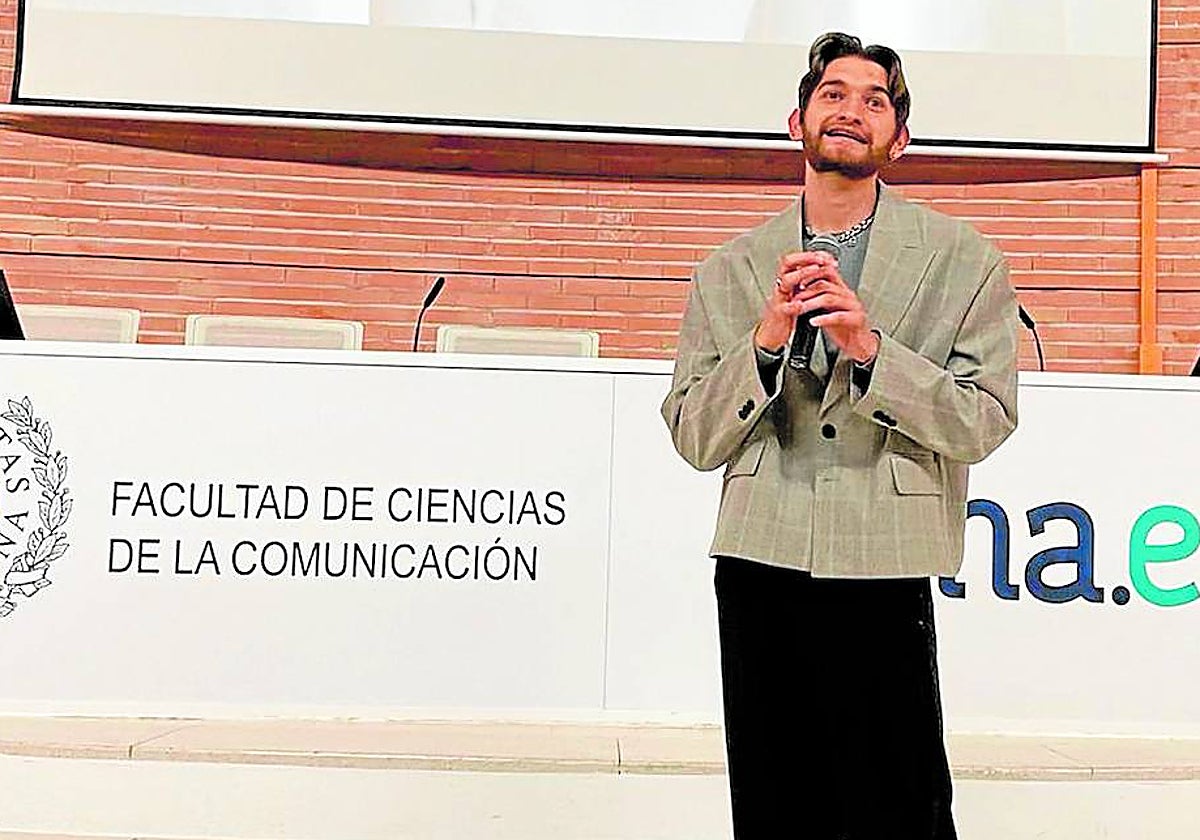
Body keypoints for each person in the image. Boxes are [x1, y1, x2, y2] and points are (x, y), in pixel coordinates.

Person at [661, 32, 1019, 839]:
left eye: (874, 99)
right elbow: (691, 432)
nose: (851, 109)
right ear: (796, 122)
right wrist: (761, 343)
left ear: (901, 138)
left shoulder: (965, 260)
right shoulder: (729, 268)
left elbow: (985, 416)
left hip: (885, 556)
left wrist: (870, 351)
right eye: (832, 93)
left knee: (900, 802)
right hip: (761, 556)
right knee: (774, 797)